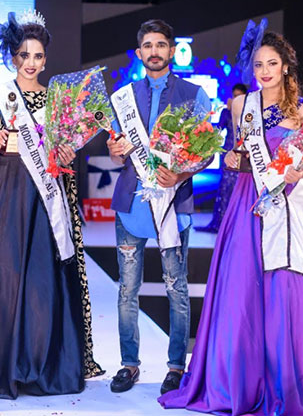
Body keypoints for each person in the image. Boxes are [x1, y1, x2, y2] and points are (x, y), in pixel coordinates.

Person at [159, 21, 303, 415]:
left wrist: (299, 171)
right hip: (247, 206)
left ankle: (287, 379)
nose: (264, 71)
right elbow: (238, 155)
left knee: (285, 288)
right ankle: (239, 380)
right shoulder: (241, 106)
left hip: (288, 209)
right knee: (241, 289)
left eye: (272, 64)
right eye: (258, 65)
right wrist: (231, 158)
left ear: (286, 66)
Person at [0, 10, 103, 399]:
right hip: (6, 193)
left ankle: (41, 365)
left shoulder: (58, 100)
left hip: (45, 199)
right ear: (13, 57)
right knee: (5, 275)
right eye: (23, 55)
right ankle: (3, 365)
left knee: (42, 280)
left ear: (45, 59)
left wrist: (66, 152)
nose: (30, 62)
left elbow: (64, 151)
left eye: (37, 56)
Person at [106, 19, 211, 395]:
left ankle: (176, 367)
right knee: (127, 290)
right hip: (131, 206)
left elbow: (206, 152)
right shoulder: (124, 97)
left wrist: (180, 175)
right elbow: (117, 151)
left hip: (173, 204)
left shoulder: (194, 94)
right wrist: (114, 150)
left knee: (176, 289)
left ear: (172, 50)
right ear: (139, 53)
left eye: (161, 45)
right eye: (148, 45)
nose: (154, 51)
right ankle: (129, 364)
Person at [195, 82, 247, 233]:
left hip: (243, 155)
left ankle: (238, 225)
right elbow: (218, 129)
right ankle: (221, 224)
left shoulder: (250, 112)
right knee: (225, 189)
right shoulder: (227, 112)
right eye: (234, 96)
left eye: (239, 96)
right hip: (228, 154)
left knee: (240, 189)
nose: (236, 99)